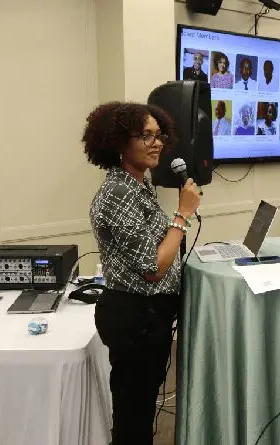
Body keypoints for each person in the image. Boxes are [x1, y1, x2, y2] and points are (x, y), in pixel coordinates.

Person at [82, 102, 200, 444]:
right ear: (118, 142)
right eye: (144, 135)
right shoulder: (119, 191)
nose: (156, 143)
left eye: (158, 134)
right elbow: (151, 267)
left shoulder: (138, 185)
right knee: (133, 420)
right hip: (135, 317)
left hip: (147, 316)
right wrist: (182, 214)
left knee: (140, 412)